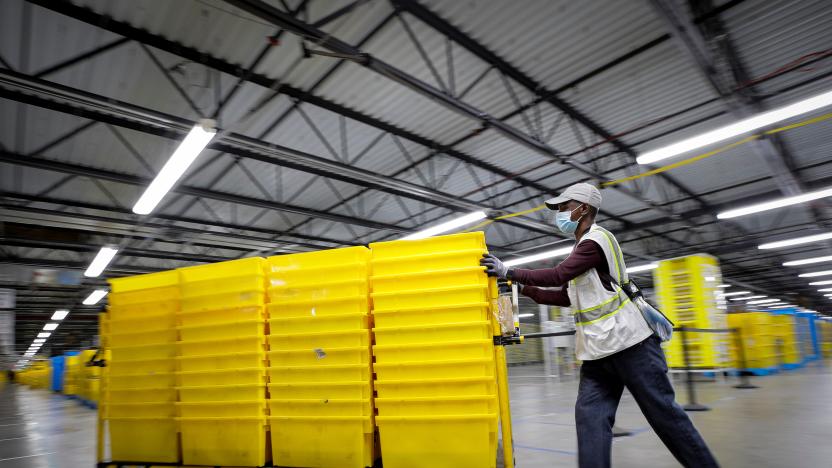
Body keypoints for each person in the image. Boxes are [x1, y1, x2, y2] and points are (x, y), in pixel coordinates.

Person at [480, 183, 718, 468]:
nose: (560, 214)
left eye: (565, 207)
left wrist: (511, 271)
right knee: (590, 421)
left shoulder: (597, 241)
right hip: (597, 352)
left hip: (633, 346)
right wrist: (520, 284)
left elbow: (558, 275)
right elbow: (563, 296)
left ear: (584, 209)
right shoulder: (580, 247)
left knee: (664, 417)